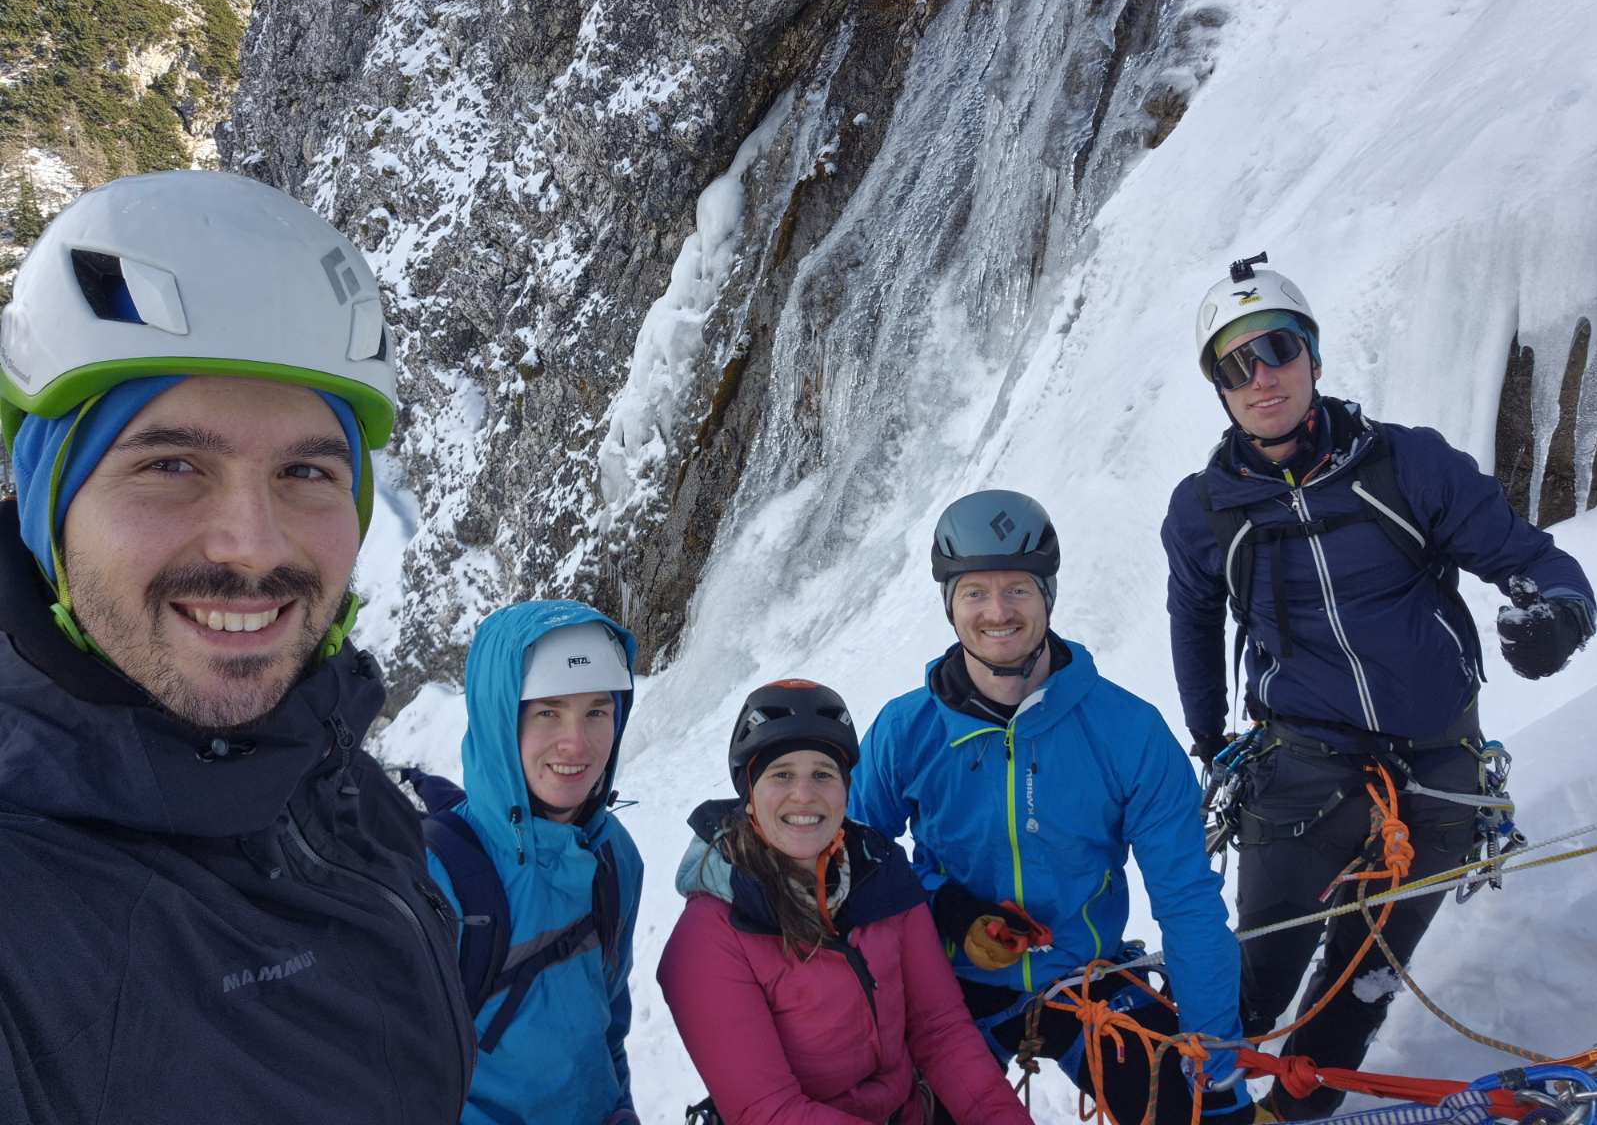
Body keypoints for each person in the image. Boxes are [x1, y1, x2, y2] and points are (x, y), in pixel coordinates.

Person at [0, 170, 474, 1123]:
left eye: (307, 471)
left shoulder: (349, 794)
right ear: (50, 506)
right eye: (172, 464)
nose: (252, 547)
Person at [1161, 253, 1594, 1119]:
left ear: (1313, 356)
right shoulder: (1205, 510)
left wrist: (1558, 616)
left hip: (1437, 776)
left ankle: (1292, 1112)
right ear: (1219, 389)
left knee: (1358, 995)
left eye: (1277, 349)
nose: (1261, 377)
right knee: (1249, 987)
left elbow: (1535, 561)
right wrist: (1209, 740)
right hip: (1299, 773)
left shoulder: (1408, 466)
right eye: (1235, 365)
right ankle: (1190, 1110)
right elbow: (1193, 619)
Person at [849, 492, 1260, 1125]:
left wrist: (1217, 1064)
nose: (997, 612)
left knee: (1194, 1116)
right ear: (949, 604)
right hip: (945, 989)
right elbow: (853, 868)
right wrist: (949, 911)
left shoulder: (1127, 730)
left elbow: (1186, 900)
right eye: (975, 592)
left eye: (1018, 589)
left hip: (1087, 979)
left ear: (1048, 595)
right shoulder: (906, 730)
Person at [658, 679, 1035, 1125]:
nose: (804, 795)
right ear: (750, 796)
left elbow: (941, 1031)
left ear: (845, 789)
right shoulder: (711, 933)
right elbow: (769, 1111)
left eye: (823, 773)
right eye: (781, 775)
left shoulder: (881, 874)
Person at [422, 602, 644, 1125]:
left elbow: (608, 1026)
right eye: (548, 711)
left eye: (597, 711)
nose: (576, 743)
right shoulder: (432, 878)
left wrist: (621, 1109)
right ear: (501, 718)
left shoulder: (614, 857)